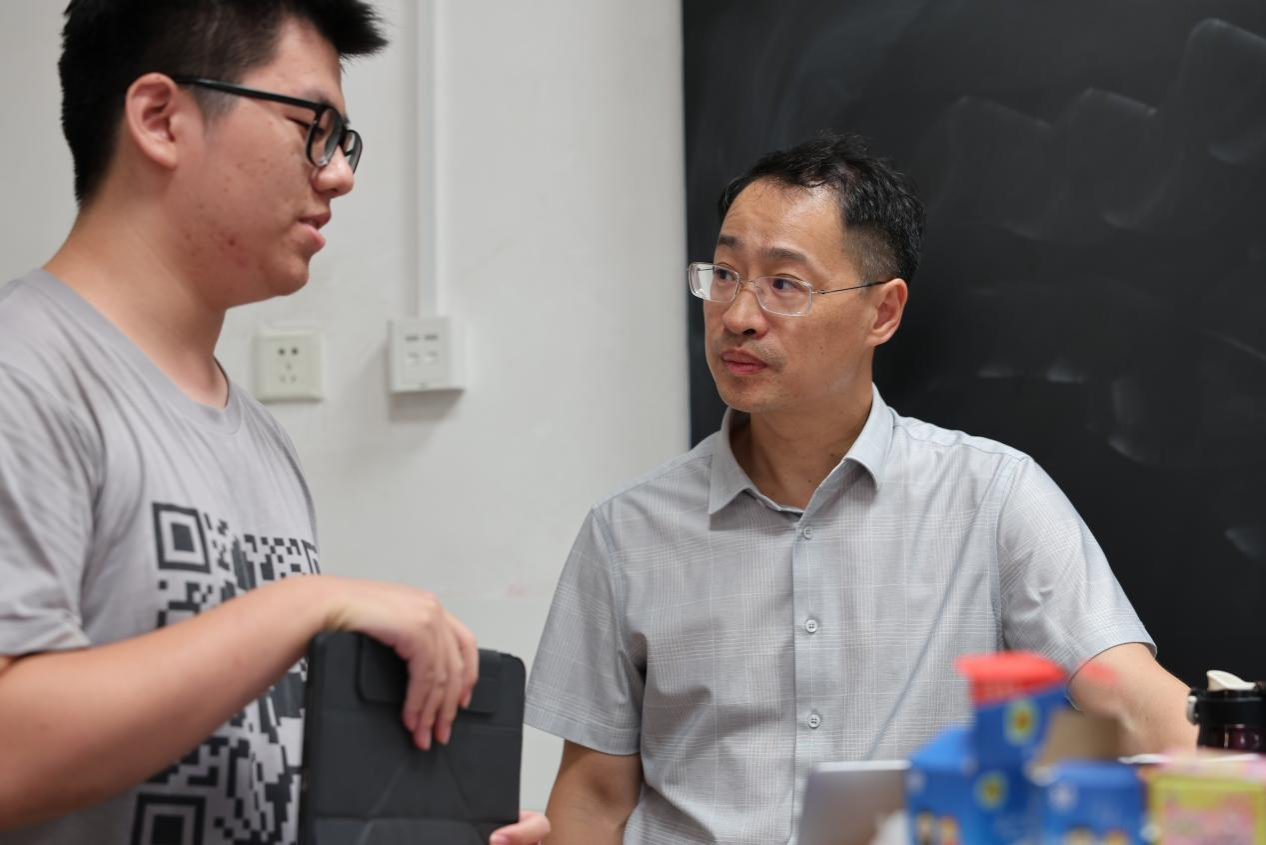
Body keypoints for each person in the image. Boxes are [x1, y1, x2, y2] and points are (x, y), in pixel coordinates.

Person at [524, 132, 1195, 844]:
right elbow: (595, 795)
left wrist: (1232, 779)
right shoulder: (627, 532)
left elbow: (1133, 703)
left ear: (883, 312)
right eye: (724, 274)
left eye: (784, 284)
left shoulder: (992, 496)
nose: (739, 315)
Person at [0, 2, 548, 844]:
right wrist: (302, 606)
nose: (339, 174)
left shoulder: (263, 443)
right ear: (160, 118)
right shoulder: (24, 372)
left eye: (343, 140)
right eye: (313, 128)